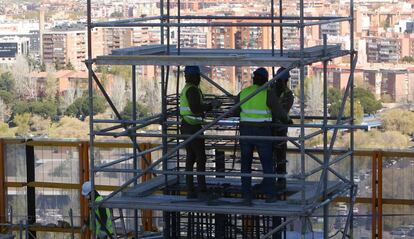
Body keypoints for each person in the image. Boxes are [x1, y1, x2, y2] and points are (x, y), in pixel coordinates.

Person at [234, 67, 289, 205]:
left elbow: (235, 110)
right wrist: (287, 120)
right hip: (262, 131)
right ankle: (270, 195)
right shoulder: (267, 94)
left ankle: (246, 195)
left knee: (245, 164)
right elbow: (278, 112)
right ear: (265, 80)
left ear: (253, 78)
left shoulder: (244, 93)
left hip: (246, 131)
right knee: (267, 163)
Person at [180, 66, 220, 200]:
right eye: (198, 76)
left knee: (191, 158)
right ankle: (201, 190)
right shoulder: (192, 90)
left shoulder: (188, 88)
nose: (199, 79)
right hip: (193, 127)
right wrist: (211, 106)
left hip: (187, 125)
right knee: (200, 158)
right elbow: (196, 108)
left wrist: (206, 106)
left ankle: (190, 190)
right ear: (194, 76)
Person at [272, 67, 294, 191]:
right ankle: (273, 180)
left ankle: (279, 181)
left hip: (278, 128)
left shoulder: (286, 94)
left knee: (279, 156)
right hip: (272, 128)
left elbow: (282, 110)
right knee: (273, 155)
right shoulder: (272, 91)